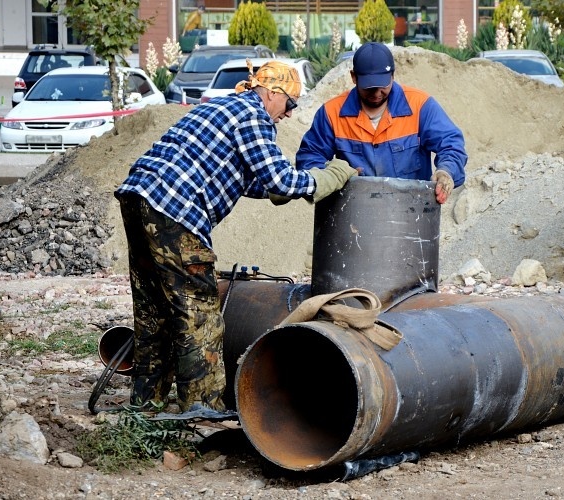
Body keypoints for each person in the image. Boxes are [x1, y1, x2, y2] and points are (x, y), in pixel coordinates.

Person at [114, 60, 357, 413]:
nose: (289, 114)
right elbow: (281, 180)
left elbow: (246, 178)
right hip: (174, 210)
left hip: (139, 199)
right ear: (273, 93)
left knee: (155, 312)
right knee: (199, 314)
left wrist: (280, 188)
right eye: (289, 104)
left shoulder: (222, 106)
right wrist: (330, 176)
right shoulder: (253, 114)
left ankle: (143, 407)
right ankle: (202, 413)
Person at [296, 42, 466, 204]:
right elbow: (309, 158)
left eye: (382, 86)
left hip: (412, 216)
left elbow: (451, 144)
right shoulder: (331, 113)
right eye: (369, 87)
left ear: (392, 75)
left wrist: (446, 171)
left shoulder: (420, 106)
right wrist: (332, 174)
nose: (376, 93)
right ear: (354, 77)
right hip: (352, 216)